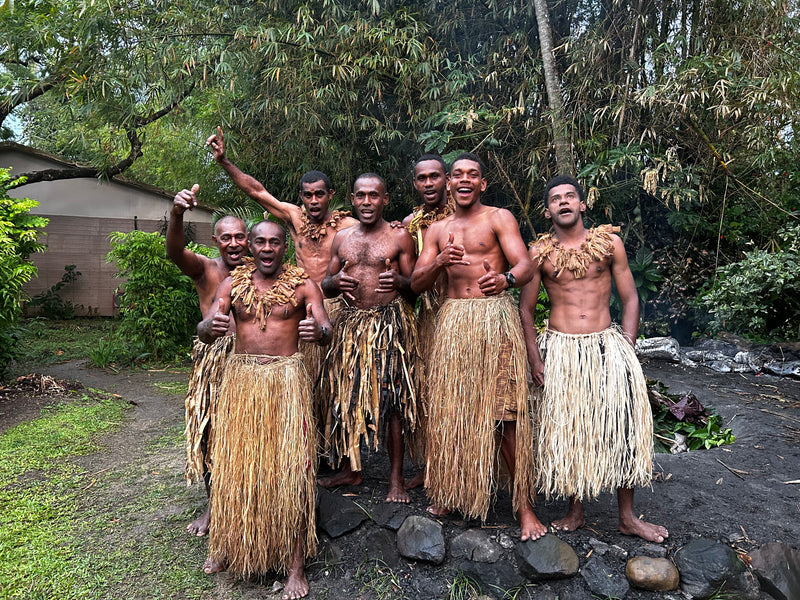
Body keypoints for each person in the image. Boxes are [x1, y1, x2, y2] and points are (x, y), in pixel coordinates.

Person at [519, 174, 669, 543]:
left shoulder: (609, 244)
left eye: (571, 196)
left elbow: (630, 298)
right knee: (569, 428)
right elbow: (525, 310)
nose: (565, 202)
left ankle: (627, 517)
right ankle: (576, 510)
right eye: (556, 198)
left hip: (606, 345)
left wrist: (627, 348)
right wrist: (536, 359)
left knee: (623, 427)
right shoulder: (539, 253)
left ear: (583, 204)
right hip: (562, 350)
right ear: (548, 210)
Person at [411, 153, 545, 541]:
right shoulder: (436, 230)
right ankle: (455, 492)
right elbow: (416, 284)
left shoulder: (499, 218)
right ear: (449, 184)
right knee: (454, 414)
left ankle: (524, 508)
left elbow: (525, 266)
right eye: (458, 175)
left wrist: (505, 278)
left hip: (494, 321)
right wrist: (439, 262)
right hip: (453, 324)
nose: (464, 180)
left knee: (505, 417)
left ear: (482, 184)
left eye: (473, 174)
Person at [197, 220, 332, 600]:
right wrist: (211, 326)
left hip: (286, 382)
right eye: (261, 242)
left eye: (275, 242)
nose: (268, 248)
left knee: (291, 469)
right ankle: (230, 546)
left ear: (284, 247)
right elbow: (205, 327)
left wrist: (317, 333)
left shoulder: (304, 284)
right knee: (237, 466)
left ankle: (295, 567)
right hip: (242, 383)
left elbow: (326, 328)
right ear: (252, 247)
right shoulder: (233, 283)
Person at [205, 126, 357, 433]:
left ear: (331, 196)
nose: (314, 201)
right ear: (301, 197)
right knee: (298, 390)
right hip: (292, 308)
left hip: (331, 313)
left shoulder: (349, 226)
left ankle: (336, 456)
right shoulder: (293, 218)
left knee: (334, 388)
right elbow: (256, 190)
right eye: (307, 195)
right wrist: (223, 161)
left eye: (319, 194)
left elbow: (376, 237)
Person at [318, 173, 421, 503]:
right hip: (350, 325)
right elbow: (325, 283)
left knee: (393, 403)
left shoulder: (399, 238)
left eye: (373, 196)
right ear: (352, 198)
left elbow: (414, 287)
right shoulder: (341, 238)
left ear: (385, 200)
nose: (366, 201)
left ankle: (395, 479)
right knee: (348, 397)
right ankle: (352, 468)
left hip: (388, 323)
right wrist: (336, 282)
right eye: (360, 195)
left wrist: (399, 282)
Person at [165, 184, 247, 537]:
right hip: (215, 361)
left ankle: (247, 499)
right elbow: (175, 252)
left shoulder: (264, 269)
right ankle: (214, 507)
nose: (233, 243)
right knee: (211, 433)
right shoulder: (206, 269)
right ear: (216, 241)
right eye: (226, 237)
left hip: (251, 362)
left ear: (249, 240)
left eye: (239, 237)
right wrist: (176, 213)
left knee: (245, 434)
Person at [401, 154, 454, 488]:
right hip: (430, 315)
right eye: (422, 178)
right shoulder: (411, 224)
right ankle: (433, 465)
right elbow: (410, 279)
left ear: (447, 179)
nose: (429, 183)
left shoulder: (467, 214)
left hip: (467, 312)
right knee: (430, 393)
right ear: (416, 184)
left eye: (435, 176)